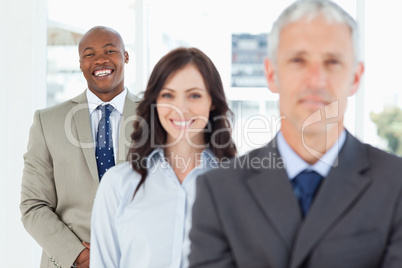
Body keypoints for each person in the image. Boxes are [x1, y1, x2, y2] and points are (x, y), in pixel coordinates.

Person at [189, 1, 402, 268]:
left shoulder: (396, 185)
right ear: (271, 74)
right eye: (298, 60)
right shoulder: (219, 190)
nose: (315, 79)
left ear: (355, 78)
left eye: (332, 61)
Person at [90, 47, 237, 268]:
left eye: (194, 95)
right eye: (168, 95)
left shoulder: (238, 186)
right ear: (155, 101)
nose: (181, 109)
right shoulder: (117, 184)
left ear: (212, 101)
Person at [20, 26, 140, 268]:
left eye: (110, 50)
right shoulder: (48, 121)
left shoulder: (156, 117)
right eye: (89, 54)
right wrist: (78, 255)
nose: (100, 60)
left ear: (126, 56)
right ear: (80, 63)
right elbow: (33, 204)